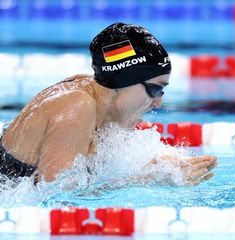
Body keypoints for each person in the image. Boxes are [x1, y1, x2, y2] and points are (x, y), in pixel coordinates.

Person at [0, 22, 217, 183]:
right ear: (124, 81)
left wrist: (161, 166)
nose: (158, 103)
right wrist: (148, 180)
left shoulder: (98, 102)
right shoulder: (77, 106)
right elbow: (56, 198)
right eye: (155, 89)